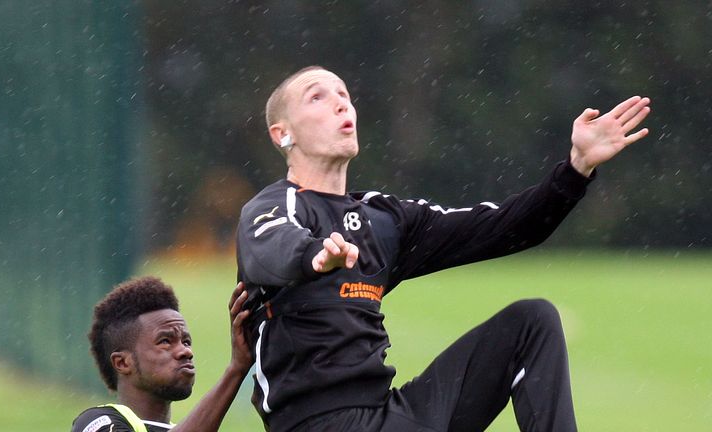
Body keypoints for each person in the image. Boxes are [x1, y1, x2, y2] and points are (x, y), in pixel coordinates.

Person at [235, 65, 651, 432]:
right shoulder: (276, 207)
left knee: (531, 321)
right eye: (318, 96)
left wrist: (576, 169)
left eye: (344, 94)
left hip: (386, 414)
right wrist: (315, 256)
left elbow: (505, 227)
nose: (341, 104)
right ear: (282, 132)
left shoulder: (383, 218)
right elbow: (268, 250)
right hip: (318, 424)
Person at [70, 276, 252, 432]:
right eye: (165, 341)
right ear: (123, 363)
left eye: (186, 341)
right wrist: (235, 370)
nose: (185, 351)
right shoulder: (96, 423)